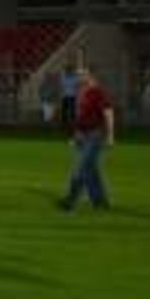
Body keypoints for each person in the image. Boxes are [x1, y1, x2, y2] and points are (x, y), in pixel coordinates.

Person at [58, 67, 117, 212]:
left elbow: (108, 113)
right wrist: (75, 135)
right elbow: (80, 116)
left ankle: (70, 200)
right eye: (78, 75)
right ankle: (100, 202)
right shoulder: (82, 92)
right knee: (91, 170)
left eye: (82, 74)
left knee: (81, 168)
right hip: (83, 135)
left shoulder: (98, 92)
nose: (79, 77)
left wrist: (110, 135)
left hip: (95, 135)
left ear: (91, 76)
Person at [58, 62, 82, 137]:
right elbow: (62, 85)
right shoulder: (64, 76)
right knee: (64, 114)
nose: (68, 70)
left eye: (69, 69)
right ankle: (64, 127)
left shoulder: (75, 77)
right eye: (67, 69)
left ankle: (73, 128)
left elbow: (77, 85)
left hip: (72, 97)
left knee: (72, 114)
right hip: (65, 96)